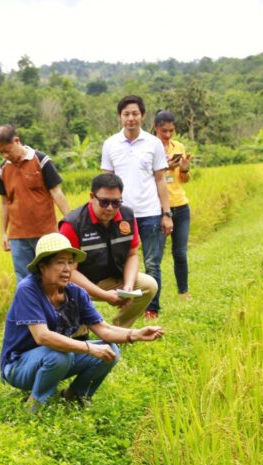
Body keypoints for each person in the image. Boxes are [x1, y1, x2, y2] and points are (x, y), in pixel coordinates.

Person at [0, 233, 164, 409]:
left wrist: (135, 334)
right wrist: (89, 347)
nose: (67, 268)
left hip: (51, 359)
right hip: (18, 366)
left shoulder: (76, 293)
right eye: (60, 262)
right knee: (59, 355)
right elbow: (43, 337)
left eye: (70, 262)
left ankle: (74, 398)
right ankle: (35, 405)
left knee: (110, 350)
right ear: (42, 266)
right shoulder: (28, 290)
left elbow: (103, 329)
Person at [101, 95, 173, 319]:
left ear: (142, 116)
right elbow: (106, 182)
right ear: (120, 117)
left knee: (152, 263)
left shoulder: (153, 144)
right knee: (121, 264)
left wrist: (166, 213)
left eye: (135, 114)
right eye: (126, 114)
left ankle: (152, 308)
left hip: (150, 213)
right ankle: (127, 303)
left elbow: (161, 180)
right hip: (120, 215)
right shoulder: (110, 144)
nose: (130, 118)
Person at [59, 173, 158, 329]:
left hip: (112, 278)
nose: (111, 208)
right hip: (79, 284)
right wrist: (104, 295)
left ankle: (120, 330)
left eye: (116, 202)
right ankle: (79, 329)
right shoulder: (72, 224)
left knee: (149, 284)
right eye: (104, 202)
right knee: (77, 335)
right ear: (92, 197)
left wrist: (129, 287)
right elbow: (69, 272)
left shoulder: (127, 216)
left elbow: (132, 254)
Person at [0, 124, 70, 283]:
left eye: (7, 150)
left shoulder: (41, 160)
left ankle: (54, 308)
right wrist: (3, 233)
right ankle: (31, 308)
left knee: (52, 276)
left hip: (46, 233)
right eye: (1, 152)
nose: (5, 155)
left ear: (16, 140)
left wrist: (71, 221)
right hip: (18, 237)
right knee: (25, 280)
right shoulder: (3, 170)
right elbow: (4, 203)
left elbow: (56, 192)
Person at [154, 110, 193, 300]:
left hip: (181, 205)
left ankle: (183, 292)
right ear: (155, 128)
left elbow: (183, 179)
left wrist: (184, 169)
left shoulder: (179, 147)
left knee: (180, 253)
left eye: (171, 131)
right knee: (156, 257)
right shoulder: (149, 148)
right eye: (164, 131)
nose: (168, 135)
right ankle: (153, 299)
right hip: (158, 208)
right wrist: (164, 168)